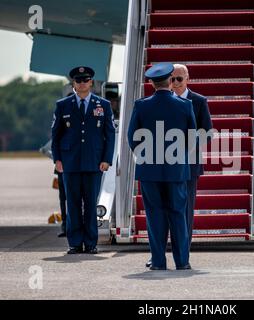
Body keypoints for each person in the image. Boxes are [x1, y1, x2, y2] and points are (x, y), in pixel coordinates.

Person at [127, 62, 197, 270]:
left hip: (149, 170)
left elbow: (133, 138)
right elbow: (192, 139)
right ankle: (182, 262)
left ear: (152, 83)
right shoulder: (185, 105)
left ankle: (158, 262)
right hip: (176, 170)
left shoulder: (141, 105)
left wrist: (147, 156)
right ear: (169, 81)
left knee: (155, 215)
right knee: (178, 215)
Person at [51, 66, 115, 254]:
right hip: (70, 162)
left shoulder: (102, 105)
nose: (81, 83)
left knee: (90, 204)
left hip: (94, 162)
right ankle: (75, 243)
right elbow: (56, 135)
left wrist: (107, 159)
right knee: (72, 203)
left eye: (85, 80)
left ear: (91, 83)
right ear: (73, 84)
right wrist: (57, 159)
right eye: (78, 81)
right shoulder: (63, 105)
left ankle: (91, 243)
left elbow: (109, 134)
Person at [171, 64, 213, 248]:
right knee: (165, 209)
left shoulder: (199, 101)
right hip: (164, 163)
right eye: (172, 79)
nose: (176, 83)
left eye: (179, 79)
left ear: (187, 79)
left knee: (186, 208)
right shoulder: (163, 100)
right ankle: (160, 249)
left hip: (189, 163)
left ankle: (183, 249)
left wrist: (187, 146)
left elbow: (207, 132)